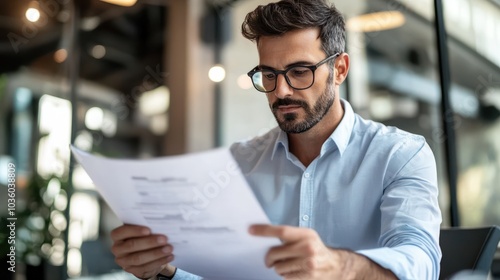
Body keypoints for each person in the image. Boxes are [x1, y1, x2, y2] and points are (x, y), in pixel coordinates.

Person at [110, 0, 442, 279]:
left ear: (339, 69)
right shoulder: (239, 163)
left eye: (300, 71)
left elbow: (421, 262)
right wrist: (164, 269)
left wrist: (339, 266)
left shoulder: (400, 154)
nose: (280, 91)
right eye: (269, 74)